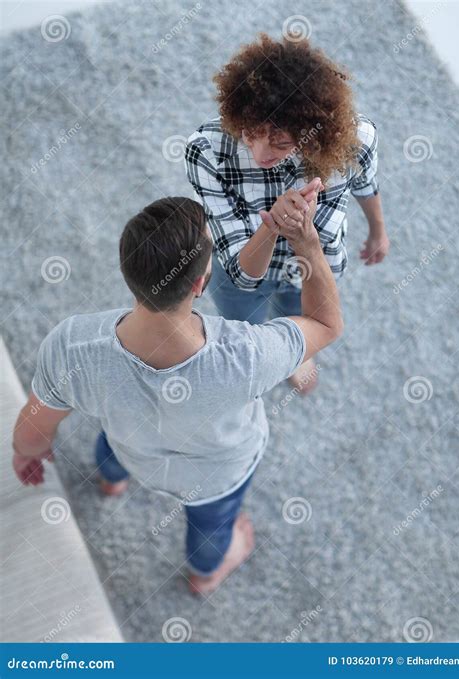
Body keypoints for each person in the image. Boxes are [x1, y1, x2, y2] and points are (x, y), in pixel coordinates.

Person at [12, 191, 342, 596]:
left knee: (113, 443)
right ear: (201, 283)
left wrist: (27, 451)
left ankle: (111, 482)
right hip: (215, 476)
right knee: (210, 527)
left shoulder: (71, 346)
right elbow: (325, 325)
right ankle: (204, 575)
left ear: (127, 271)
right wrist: (306, 242)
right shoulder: (249, 354)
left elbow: (34, 426)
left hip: (135, 449)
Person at [185, 32, 389, 393]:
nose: (261, 152)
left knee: (298, 320)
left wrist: (377, 230)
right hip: (240, 275)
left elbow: (365, 184)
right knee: (247, 336)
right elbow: (243, 275)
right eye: (250, 133)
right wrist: (275, 227)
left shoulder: (356, 138)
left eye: (280, 144)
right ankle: (275, 357)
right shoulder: (207, 151)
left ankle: (297, 352)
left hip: (314, 268)